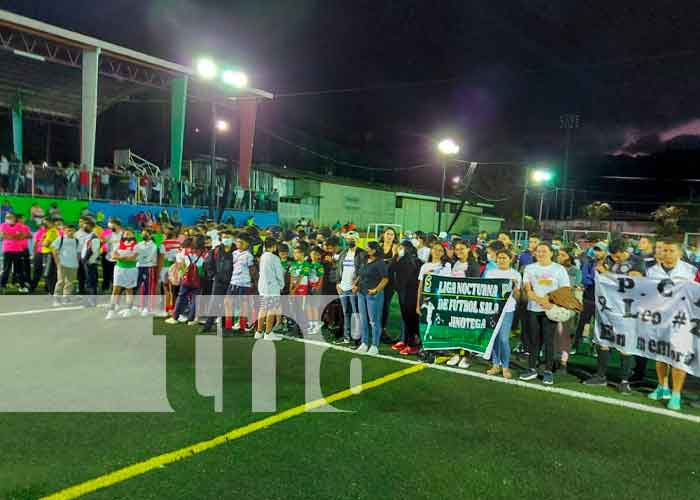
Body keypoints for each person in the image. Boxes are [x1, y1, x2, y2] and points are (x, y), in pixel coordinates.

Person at [583, 239, 645, 394]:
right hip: (608, 308)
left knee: (625, 345)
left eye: (618, 256)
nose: (615, 259)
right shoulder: (609, 259)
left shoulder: (637, 261)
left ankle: (624, 381)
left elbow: (634, 282)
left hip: (627, 310)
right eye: (613, 256)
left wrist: (607, 273)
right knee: (603, 341)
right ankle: (600, 375)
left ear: (626, 251)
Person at [646, 239, 699, 411]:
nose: (667, 253)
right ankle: (662, 387)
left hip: (681, 320)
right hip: (659, 318)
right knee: (660, 354)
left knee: (677, 356)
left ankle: (676, 394)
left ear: (680, 253)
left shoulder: (691, 271)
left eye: (671, 250)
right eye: (665, 250)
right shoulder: (652, 270)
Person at [519, 242, 570, 385]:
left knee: (549, 341)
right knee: (534, 341)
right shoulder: (530, 268)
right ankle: (531, 369)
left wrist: (550, 302)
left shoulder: (559, 269)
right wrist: (541, 300)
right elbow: (527, 289)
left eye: (544, 251)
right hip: (534, 309)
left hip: (551, 310)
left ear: (551, 253)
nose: (540, 254)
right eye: (538, 251)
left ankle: (548, 371)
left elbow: (565, 289)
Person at [484, 248, 521, 379]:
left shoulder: (515, 274)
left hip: (507, 310)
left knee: (503, 338)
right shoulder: (490, 273)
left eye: (504, 258)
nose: (501, 260)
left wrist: (516, 287)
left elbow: (517, 296)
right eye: (499, 257)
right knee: (494, 337)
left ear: (510, 259)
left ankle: (505, 366)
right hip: (492, 309)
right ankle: (495, 364)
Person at [354, 241, 389, 355]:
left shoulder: (380, 263)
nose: (366, 250)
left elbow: (385, 279)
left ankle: (374, 345)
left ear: (374, 250)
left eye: (368, 248)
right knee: (363, 319)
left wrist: (376, 290)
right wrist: (355, 284)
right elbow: (360, 274)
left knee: (374, 321)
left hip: (373, 295)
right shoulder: (364, 260)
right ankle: (364, 343)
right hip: (361, 293)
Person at [166, 236, 206, 326]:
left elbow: (180, 265)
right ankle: (191, 319)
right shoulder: (204, 253)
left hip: (186, 278)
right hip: (199, 279)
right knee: (195, 299)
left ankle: (175, 317)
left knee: (181, 297)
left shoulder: (185, 251)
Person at [201, 229, 235, 333]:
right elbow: (207, 264)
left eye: (229, 237)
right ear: (221, 239)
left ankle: (225, 326)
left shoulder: (236, 251)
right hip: (218, 282)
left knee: (229, 304)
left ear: (232, 238)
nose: (227, 239)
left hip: (232, 282)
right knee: (214, 303)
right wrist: (213, 276)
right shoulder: (215, 250)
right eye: (225, 237)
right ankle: (208, 325)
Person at [391, 240, 421, 355]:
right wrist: (396, 256)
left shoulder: (413, 260)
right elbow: (391, 268)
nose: (399, 249)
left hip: (410, 293)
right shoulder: (400, 259)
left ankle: (413, 343)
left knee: (411, 319)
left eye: (401, 247)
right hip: (402, 292)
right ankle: (408, 341)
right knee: (406, 318)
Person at [256, 237, 285, 341]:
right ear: (274, 246)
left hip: (262, 286)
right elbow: (279, 274)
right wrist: (281, 285)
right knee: (271, 309)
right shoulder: (275, 258)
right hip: (272, 287)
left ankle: (259, 331)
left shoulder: (263, 256)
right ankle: (268, 332)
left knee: (263, 308)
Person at [106, 229, 139, 319]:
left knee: (129, 290)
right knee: (116, 289)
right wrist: (125, 257)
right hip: (119, 269)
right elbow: (113, 256)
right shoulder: (118, 244)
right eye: (125, 234)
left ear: (133, 235)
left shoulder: (137, 245)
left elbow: (134, 258)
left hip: (131, 270)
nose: (127, 235)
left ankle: (129, 309)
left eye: (129, 233)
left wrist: (121, 257)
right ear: (123, 236)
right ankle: (111, 311)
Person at [226, 235, 256, 333]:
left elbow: (252, 270)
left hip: (244, 284)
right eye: (238, 242)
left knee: (243, 306)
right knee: (229, 304)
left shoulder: (249, 255)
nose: (238, 244)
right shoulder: (233, 253)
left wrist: (253, 282)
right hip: (233, 282)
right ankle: (228, 326)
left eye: (241, 242)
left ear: (247, 244)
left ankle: (242, 327)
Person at [0, 211, 30, 293]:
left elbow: (22, 236)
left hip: (18, 251)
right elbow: (3, 236)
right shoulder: (3, 225)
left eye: (10, 217)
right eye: (7, 217)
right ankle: (2, 286)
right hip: (7, 251)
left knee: (20, 270)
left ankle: (22, 286)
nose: (8, 218)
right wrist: (15, 236)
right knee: (6, 270)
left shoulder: (20, 225)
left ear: (15, 218)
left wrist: (10, 236)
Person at [51, 224, 80, 304]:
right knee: (60, 281)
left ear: (75, 231)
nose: (70, 232)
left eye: (72, 230)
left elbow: (78, 253)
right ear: (65, 231)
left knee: (70, 282)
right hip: (62, 264)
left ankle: (66, 298)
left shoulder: (77, 241)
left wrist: (77, 262)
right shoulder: (60, 239)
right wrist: (57, 262)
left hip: (73, 265)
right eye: (68, 230)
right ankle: (56, 299)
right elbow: (54, 250)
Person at [134, 228, 160, 316]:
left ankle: (148, 308)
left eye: (146, 234)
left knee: (148, 287)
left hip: (149, 268)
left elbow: (148, 258)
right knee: (139, 287)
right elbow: (135, 255)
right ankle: (141, 306)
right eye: (143, 233)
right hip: (139, 267)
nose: (144, 235)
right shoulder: (139, 244)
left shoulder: (153, 245)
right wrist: (140, 257)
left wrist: (140, 257)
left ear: (150, 235)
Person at [80, 219, 102, 307]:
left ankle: (91, 301)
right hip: (88, 262)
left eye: (86, 225)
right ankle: (91, 301)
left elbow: (92, 250)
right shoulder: (89, 236)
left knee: (91, 282)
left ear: (90, 226)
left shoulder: (94, 237)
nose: (84, 227)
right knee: (90, 281)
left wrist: (85, 259)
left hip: (90, 263)